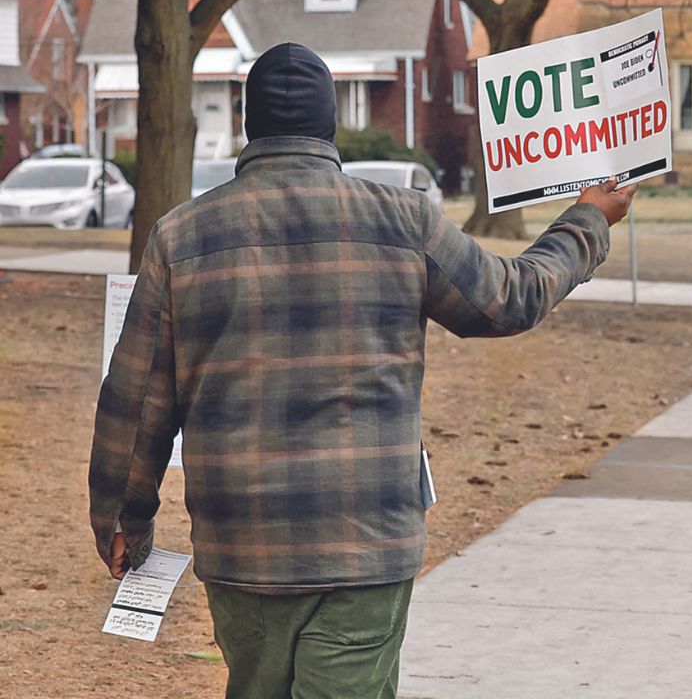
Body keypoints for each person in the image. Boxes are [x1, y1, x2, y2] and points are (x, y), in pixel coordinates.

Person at [88, 43, 635, 699]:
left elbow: (138, 395)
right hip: (366, 543)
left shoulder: (181, 237)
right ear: (330, 128)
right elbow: (511, 298)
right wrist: (587, 222)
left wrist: (124, 519)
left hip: (243, 546)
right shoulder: (402, 220)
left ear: (246, 123)